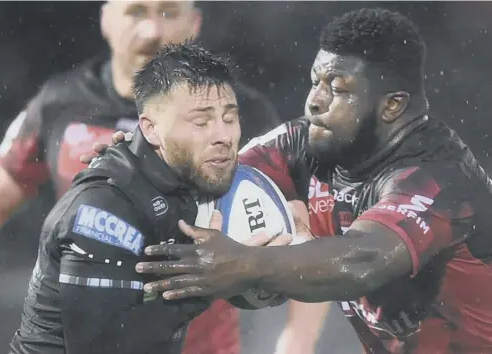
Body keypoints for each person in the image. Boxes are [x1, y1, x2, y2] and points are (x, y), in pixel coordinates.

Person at [127, 8, 492, 353]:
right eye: (315, 81)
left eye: (338, 88)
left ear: (392, 106)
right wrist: (140, 159)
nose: (314, 102)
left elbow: (365, 260)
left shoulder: (440, 178)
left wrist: (244, 264)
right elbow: (212, 172)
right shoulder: (310, 143)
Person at [0, 2, 282, 354]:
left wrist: (296, 340)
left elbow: (299, 222)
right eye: (135, 12)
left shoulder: (241, 113)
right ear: (105, 20)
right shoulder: (59, 103)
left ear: (195, 23)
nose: (152, 31)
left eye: (168, 12)